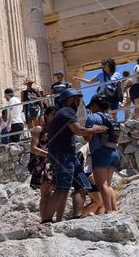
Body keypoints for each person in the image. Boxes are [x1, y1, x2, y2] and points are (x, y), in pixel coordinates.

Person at [41, 89, 106, 223]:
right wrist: (95, 129)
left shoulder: (63, 113)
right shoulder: (67, 112)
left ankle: (76, 217)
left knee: (81, 184)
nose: (79, 103)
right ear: (71, 100)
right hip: (63, 156)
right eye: (78, 100)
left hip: (69, 156)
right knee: (62, 188)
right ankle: (46, 221)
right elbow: (78, 131)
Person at [85, 95, 120, 214]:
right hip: (114, 152)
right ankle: (115, 210)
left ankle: (109, 212)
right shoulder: (111, 117)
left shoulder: (93, 117)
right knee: (108, 184)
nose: (90, 109)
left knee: (102, 184)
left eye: (91, 106)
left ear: (94, 105)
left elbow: (88, 138)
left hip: (101, 152)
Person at [28, 106, 57, 221]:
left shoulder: (56, 130)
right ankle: (45, 219)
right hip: (42, 164)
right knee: (45, 194)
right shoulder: (39, 129)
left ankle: (48, 217)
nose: (55, 117)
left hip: (54, 163)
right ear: (46, 115)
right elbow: (33, 148)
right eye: (52, 114)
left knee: (53, 192)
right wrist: (48, 154)